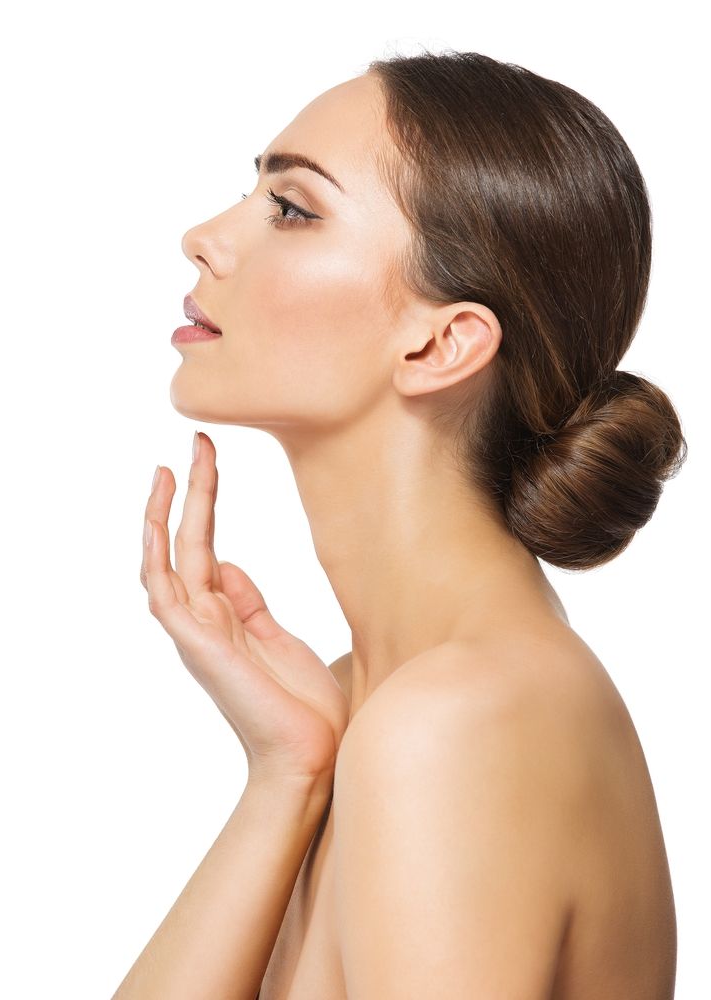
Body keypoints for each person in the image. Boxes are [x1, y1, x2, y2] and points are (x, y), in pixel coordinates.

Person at [114, 49, 686, 999]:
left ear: (439, 341)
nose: (202, 237)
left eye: (292, 209)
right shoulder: (375, 707)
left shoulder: (455, 725)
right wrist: (284, 779)